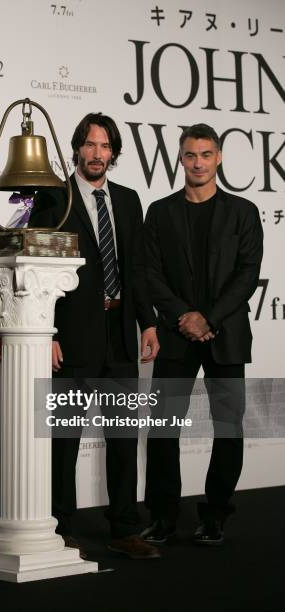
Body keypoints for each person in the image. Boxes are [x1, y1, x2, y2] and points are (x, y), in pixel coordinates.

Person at [29, 112, 160, 560]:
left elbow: (137, 268)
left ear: (114, 153)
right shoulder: (54, 198)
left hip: (121, 333)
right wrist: (47, 331)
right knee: (63, 441)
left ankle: (125, 528)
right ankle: (59, 527)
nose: (97, 154)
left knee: (123, 440)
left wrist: (150, 323)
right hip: (71, 337)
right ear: (77, 149)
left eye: (105, 146)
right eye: (89, 144)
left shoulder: (128, 200)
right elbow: (39, 269)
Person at [141, 123, 263, 545]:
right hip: (176, 334)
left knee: (228, 426)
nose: (198, 162)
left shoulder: (243, 212)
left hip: (226, 334)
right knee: (162, 428)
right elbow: (150, 273)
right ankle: (162, 516)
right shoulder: (160, 211)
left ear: (219, 158)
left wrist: (208, 318)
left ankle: (215, 515)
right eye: (191, 155)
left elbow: (248, 274)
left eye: (206, 154)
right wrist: (183, 316)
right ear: (180, 157)